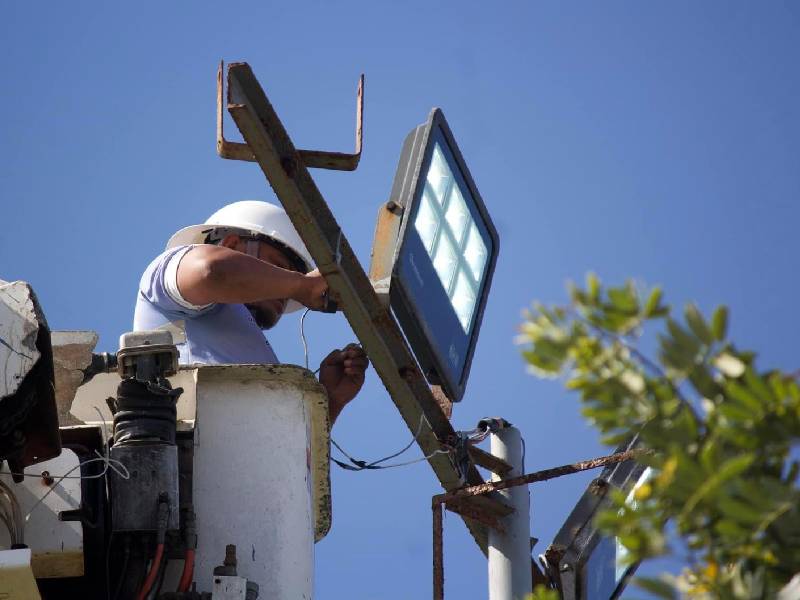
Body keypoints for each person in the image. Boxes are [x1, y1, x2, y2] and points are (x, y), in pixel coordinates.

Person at [133, 200, 368, 423]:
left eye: (292, 275)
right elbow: (210, 271)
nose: (286, 290)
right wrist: (303, 285)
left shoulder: (257, 358)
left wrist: (330, 402)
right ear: (232, 245)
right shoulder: (169, 276)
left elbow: (283, 458)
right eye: (277, 266)